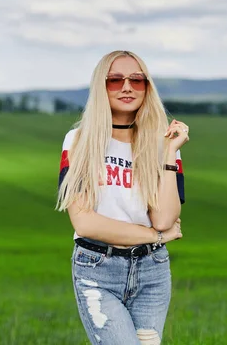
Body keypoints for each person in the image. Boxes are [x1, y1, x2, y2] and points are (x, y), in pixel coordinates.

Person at [56, 50, 190, 345]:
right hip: (98, 269)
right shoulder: (78, 141)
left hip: (152, 271)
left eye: (136, 80)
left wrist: (169, 152)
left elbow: (165, 218)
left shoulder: (163, 143)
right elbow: (85, 223)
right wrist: (155, 236)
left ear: (147, 87)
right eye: (115, 80)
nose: (127, 87)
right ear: (100, 87)